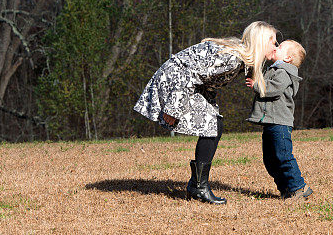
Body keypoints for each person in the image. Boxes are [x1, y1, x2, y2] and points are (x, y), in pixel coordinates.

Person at [134, 21, 278, 204]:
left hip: (187, 82)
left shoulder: (241, 59)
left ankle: (197, 185)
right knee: (213, 125)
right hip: (176, 79)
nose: (276, 46)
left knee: (214, 125)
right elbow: (190, 74)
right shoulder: (232, 59)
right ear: (261, 42)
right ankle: (198, 187)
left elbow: (206, 78)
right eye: (273, 41)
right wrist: (173, 108)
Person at [246, 39, 313, 200]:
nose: (275, 47)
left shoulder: (285, 72)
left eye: (280, 47)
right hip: (271, 122)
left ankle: (299, 187)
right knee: (270, 159)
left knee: (283, 155)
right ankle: (286, 189)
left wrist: (257, 85)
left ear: (288, 58)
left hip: (280, 123)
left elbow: (273, 89)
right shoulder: (274, 70)